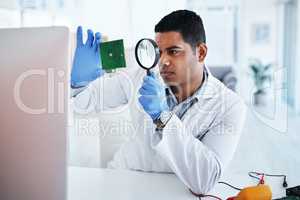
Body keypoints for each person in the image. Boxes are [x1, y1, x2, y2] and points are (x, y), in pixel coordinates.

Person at [71, 10, 247, 195]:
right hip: (123, 179)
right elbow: (84, 104)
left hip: (175, 191)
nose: (162, 61)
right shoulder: (140, 75)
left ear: (201, 52)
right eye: (159, 52)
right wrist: (78, 83)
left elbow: (205, 180)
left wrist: (162, 117)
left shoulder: (230, 106)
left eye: (173, 51)